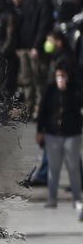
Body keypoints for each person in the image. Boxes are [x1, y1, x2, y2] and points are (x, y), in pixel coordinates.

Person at [36, 65, 83, 214]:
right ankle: (52, 198)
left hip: (72, 134)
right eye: (58, 76)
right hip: (53, 134)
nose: (60, 79)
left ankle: (77, 199)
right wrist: (40, 130)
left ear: (68, 77)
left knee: (73, 168)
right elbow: (43, 111)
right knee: (53, 169)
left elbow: (79, 108)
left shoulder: (75, 91)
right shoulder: (50, 91)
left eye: (63, 76)